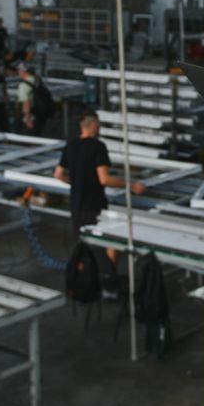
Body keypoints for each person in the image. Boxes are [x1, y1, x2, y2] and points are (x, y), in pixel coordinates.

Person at [54, 111, 145, 284]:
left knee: (82, 245)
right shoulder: (98, 147)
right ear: (94, 126)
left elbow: (58, 174)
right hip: (94, 205)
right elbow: (104, 179)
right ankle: (109, 280)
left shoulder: (70, 145)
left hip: (76, 205)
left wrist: (76, 183)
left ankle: (82, 281)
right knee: (110, 241)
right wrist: (131, 185)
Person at [15, 63, 51, 136]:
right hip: (40, 114)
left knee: (28, 140)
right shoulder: (37, 80)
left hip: (30, 117)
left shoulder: (23, 85)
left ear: (23, 71)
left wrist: (28, 119)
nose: (18, 72)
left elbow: (26, 103)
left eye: (19, 70)